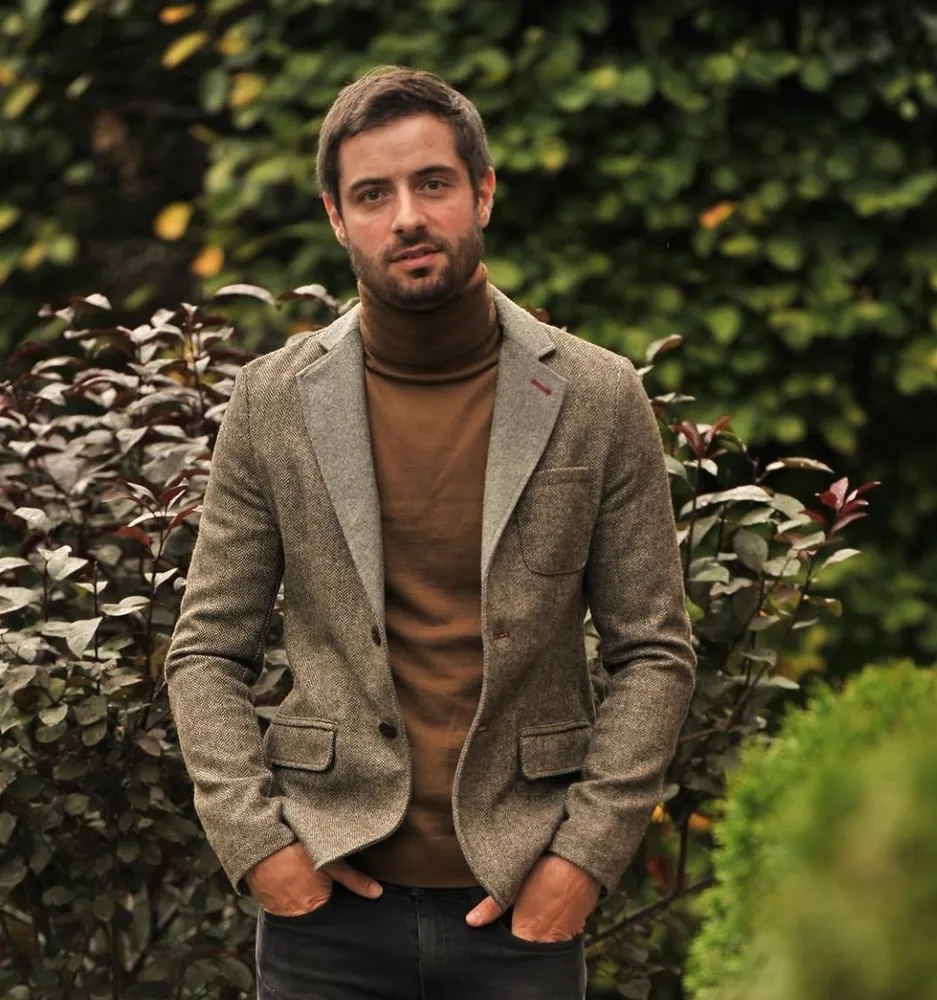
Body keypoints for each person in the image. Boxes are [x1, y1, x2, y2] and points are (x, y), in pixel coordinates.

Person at [164, 65, 696, 1000]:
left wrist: (583, 859)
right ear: (337, 218)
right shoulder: (272, 400)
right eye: (373, 194)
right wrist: (260, 848)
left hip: (522, 905)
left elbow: (653, 651)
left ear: (482, 192)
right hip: (324, 915)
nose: (406, 217)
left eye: (433, 183)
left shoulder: (598, 395)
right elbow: (206, 649)